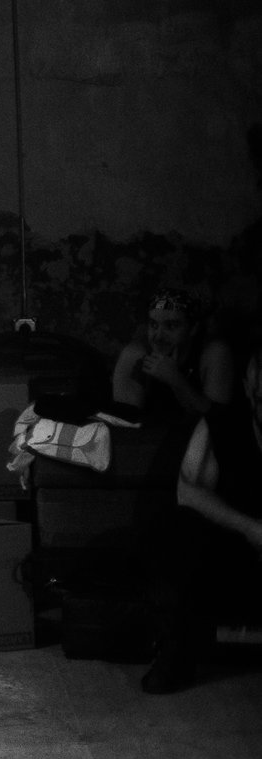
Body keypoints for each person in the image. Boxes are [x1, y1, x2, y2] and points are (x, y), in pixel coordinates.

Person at [140, 347, 260, 694]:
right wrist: (252, 529)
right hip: (236, 558)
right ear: (249, 385)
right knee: (176, 528)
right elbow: (188, 491)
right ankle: (175, 653)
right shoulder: (224, 424)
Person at [112, 287, 235, 428]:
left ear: (193, 328)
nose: (158, 336)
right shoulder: (137, 353)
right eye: (154, 325)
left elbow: (220, 423)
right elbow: (125, 423)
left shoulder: (212, 352)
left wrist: (176, 380)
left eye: (170, 326)